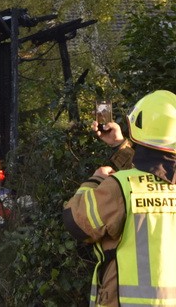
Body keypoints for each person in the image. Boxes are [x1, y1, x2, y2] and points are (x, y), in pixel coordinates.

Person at [63, 89, 176, 306]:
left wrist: (94, 181)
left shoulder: (120, 187)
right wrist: (119, 146)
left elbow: (76, 223)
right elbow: (158, 172)